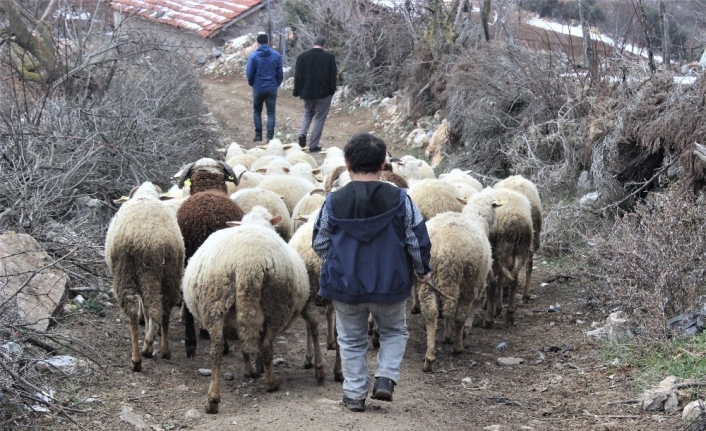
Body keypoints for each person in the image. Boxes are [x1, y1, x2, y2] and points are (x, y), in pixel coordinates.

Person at [312, 132, 432, 412]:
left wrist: (338, 261)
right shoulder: (402, 199)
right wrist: (422, 269)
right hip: (390, 284)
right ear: (383, 165)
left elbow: (319, 242)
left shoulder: (332, 202)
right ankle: (386, 378)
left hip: (345, 285)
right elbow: (416, 238)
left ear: (347, 164)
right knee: (393, 331)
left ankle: (354, 395)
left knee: (351, 339)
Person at [292, 35, 337, 153]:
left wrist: (296, 91)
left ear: (312, 43)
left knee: (307, 113)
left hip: (306, 92)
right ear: (324, 46)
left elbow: (297, 76)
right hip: (323, 93)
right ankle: (313, 145)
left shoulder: (301, 57)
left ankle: (302, 133)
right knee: (319, 118)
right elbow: (333, 77)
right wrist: (332, 90)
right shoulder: (329, 57)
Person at [246, 33, 283, 142]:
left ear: (257, 43)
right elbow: (280, 73)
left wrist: (252, 83)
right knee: (271, 112)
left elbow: (249, 73)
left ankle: (258, 135)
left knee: (257, 111)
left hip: (258, 87)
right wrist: (276, 84)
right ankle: (270, 137)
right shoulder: (276, 55)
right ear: (268, 42)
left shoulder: (253, 56)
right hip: (272, 87)